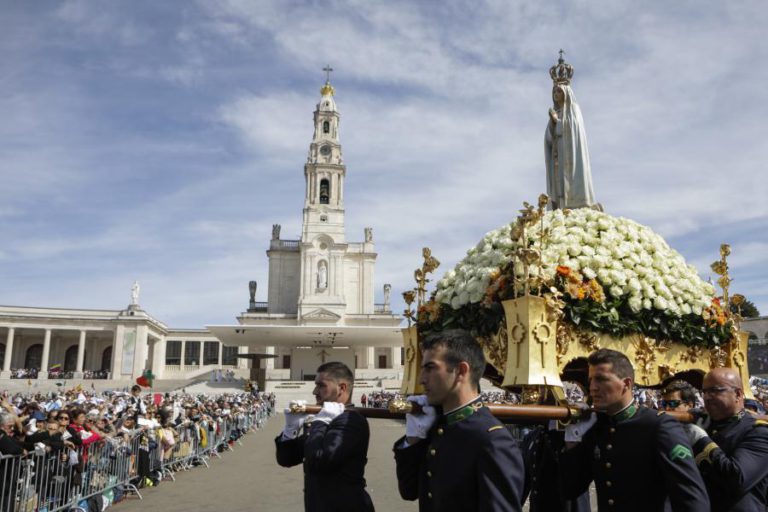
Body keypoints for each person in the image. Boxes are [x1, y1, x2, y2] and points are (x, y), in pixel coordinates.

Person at [559, 348, 709, 511]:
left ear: (627, 384)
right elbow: (571, 487)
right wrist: (573, 438)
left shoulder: (659, 426)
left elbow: (692, 499)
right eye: (591, 381)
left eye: (601, 379)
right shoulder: (598, 427)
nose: (593, 387)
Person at [393, 329, 525, 511]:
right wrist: (414, 438)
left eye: (430, 368)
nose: (421, 379)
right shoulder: (438, 427)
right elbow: (409, 491)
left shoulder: (491, 440)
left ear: (461, 371)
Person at [275, 361, 374, 512]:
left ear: (341, 388)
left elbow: (320, 462)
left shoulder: (351, 421)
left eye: (321, 385)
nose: (315, 392)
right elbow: (286, 459)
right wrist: (290, 429)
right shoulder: (326, 417)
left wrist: (319, 423)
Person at [682, 367, 768, 511]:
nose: (707, 397)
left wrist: (701, 440)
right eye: (704, 392)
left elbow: (737, 480)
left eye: (715, 390)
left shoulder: (759, 432)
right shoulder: (706, 423)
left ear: (738, 394)